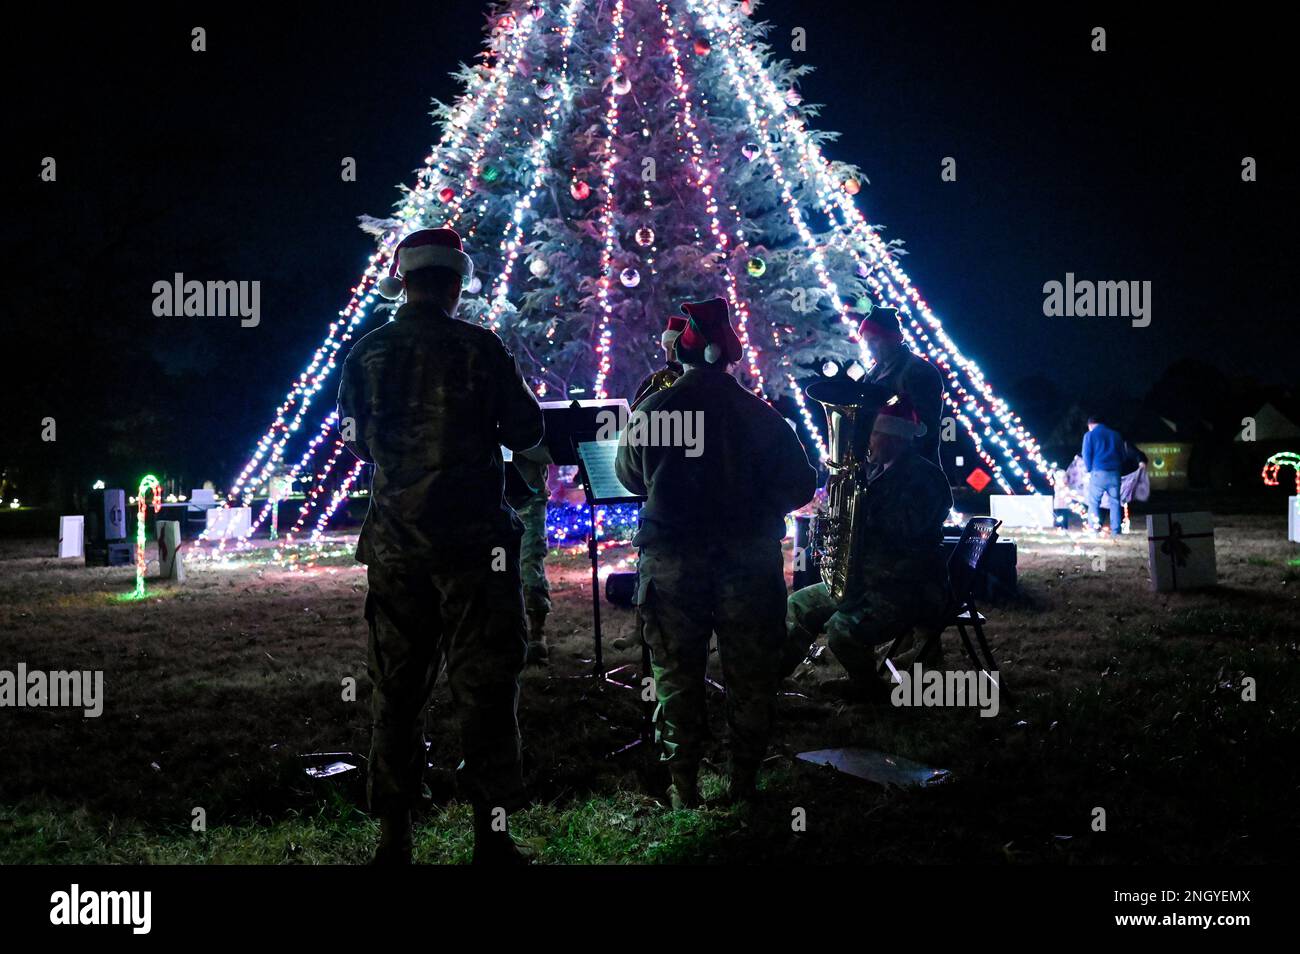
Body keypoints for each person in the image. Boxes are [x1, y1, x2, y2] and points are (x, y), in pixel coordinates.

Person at [338, 227, 544, 865]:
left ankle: (394, 839)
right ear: (455, 283)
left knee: (395, 691)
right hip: (476, 550)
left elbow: (354, 439)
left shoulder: (366, 354)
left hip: (397, 549)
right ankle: (493, 838)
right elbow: (528, 426)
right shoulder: (481, 350)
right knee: (485, 690)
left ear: (403, 279)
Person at [615, 297, 817, 808]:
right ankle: (743, 783)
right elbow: (799, 485)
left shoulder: (653, 410)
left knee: (676, 673)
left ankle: (685, 789)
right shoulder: (764, 417)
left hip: (672, 559)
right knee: (751, 674)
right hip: (748, 560)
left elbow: (628, 476)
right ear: (732, 355)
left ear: (680, 354)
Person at [784, 396, 953, 696]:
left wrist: (860, 512)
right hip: (866, 580)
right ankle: (773, 677)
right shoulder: (876, 473)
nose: (867, 441)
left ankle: (867, 688)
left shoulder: (925, 477)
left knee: (842, 629)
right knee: (799, 605)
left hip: (906, 586)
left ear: (893, 436)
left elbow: (907, 530)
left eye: (872, 433)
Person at [856, 303, 945, 466]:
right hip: (879, 466)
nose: (870, 348)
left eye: (875, 340)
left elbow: (924, 429)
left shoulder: (919, 371)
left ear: (893, 338)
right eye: (866, 342)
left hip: (910, 472)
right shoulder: (873, 373)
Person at [505, 451, 552, 663]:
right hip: (489, 494)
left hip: (529, 496)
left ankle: (536, 632)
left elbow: (547, 450)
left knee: (530, 563)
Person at [631, 315, 687, 409]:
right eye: (667, 349)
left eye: (674, 349)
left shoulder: (692, 379)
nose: (670, 356)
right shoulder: (652, 380)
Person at [1082, 414, 1126, 536]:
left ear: (1090, 425)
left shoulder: (1089, 435)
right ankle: (1116, 530)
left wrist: (1089, 469)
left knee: (1094, 503)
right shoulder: (1116, 435)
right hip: (1114, 473)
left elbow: (1086, 455)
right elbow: (1123, 454)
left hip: (1098, 472)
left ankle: (1094, 529)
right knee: (1115, 502)